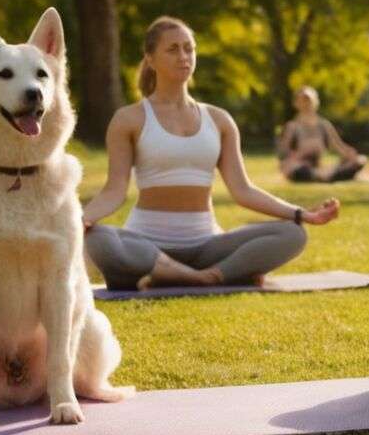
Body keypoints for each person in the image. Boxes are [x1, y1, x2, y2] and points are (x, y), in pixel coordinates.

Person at [82, 17, 340, 291]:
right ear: (150, 59)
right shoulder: (129, 118)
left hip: (206, 245)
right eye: (173, 49)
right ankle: (203, 276)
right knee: (99, 238)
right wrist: (79, 219)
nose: (184, 56)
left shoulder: (219, 120)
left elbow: (243, 190)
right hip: (147, 243)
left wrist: (302, 214)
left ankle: (206, 274)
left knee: (292, 233)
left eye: (189, 48)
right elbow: (114, 191)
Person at [277, 86, 367, 182]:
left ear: (316, 102)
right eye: (303, 100)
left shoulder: (324, 125)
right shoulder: (292, 126)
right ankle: (327, 176)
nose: (306, 104)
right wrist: (301, 153)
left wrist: (349, 154)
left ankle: (325, 175)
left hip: (318, 166)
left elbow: (337, 146)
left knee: (360, 159)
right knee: (291, 166)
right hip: (299, 164)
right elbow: (283, 152)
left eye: (309, 100)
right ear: (296, 103)